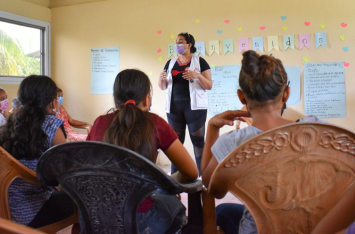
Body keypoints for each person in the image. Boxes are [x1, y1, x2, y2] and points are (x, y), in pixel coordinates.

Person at [201, 50, 324, 234]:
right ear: (286, 94)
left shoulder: (232, 143)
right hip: (311, 227)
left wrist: (212, 128)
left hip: (257, 229)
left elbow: (210, 185)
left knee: (222, 210)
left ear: (242, 97)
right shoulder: (316, 129)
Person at [88, 69, 198, 234]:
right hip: (140, 222)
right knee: (175, 204)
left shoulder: (99, 122)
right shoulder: (155, 123)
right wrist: (162, 185)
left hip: (99, 219)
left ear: (116, 99)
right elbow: (191, 172)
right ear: (147, 99)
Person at [0, 75, 75, 228]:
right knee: (85, 201)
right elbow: (66, 171)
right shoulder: (52, 125)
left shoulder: (11, 123)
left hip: (5, 207)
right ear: (51, 100)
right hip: (29, 212)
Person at [158, 32, 212, 175]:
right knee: (175, 143)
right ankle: (175, 177)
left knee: (198, 141)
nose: (178, 45)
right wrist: (161, 78)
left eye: (181, 42)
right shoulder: (170, 63)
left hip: (195, 108)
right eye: (176, 42)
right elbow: (162, 86)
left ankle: (202, 175)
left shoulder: (200, 62)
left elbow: (209, 85)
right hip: (174, 107)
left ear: (189, 45)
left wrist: (198, 75)